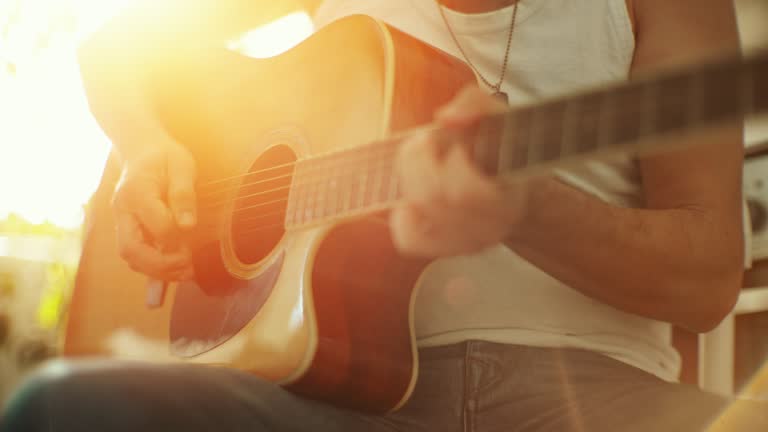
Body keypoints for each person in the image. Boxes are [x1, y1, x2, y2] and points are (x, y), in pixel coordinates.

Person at [1, 0, 765, 430]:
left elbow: (705, 280)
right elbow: (118, 46)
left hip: (591, 401)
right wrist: (146, 147)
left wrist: (525, 210)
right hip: (336, 401)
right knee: (69, 407)